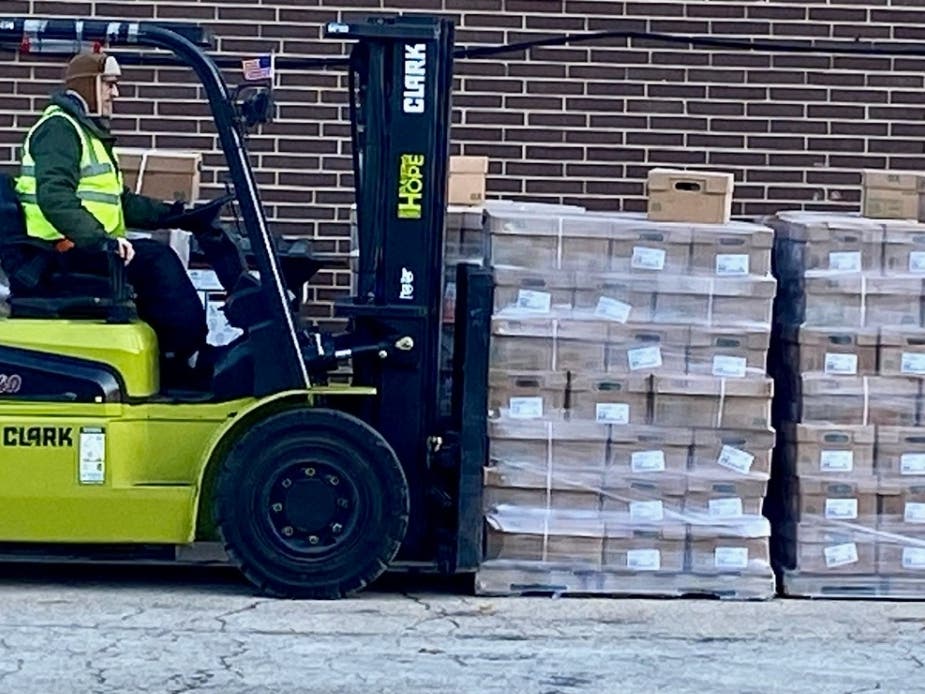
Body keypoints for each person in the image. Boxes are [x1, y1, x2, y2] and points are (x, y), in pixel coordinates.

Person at [12, 51, 239, 386]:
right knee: (157, 261)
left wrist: (177, 216)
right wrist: (101, 240)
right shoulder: (59, 130)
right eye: (110, 85)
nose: (115, 94)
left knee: (150, 256)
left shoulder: (86, 132)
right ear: (88, 85)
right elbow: (55, 196)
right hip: (59, 252)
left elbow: (120, 203)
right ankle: (184, 357)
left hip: (83, 247)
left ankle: (175, 355)